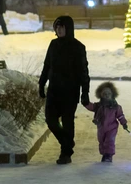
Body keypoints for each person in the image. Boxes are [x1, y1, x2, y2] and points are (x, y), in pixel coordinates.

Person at [39, 15, 90, 165]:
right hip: (54, 91)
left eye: (62, 27)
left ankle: (66, 153)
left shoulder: (78, 47)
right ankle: (67, 142)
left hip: (70, 92)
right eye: (57, 27)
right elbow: (47, 65)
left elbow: (83, 72)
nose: (59, 30)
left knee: (68, 122)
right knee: (51, 120)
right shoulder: (53, 44)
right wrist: (41, 84)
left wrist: (85, 92)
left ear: (69, 28)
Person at [83, 81, 128, 163]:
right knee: (101, 141)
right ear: (100, 95)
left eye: (108, 94)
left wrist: (124, 123)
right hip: (101, 127)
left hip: (112, 127)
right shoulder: (98, 106)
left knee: (109, 140)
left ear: (112, 94)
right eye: (104, 94)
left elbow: (120, 115)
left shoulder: (115, 107)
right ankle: (104, 153)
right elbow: (91, 107)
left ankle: (108, 155)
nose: (106, 95)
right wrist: (86, 103)